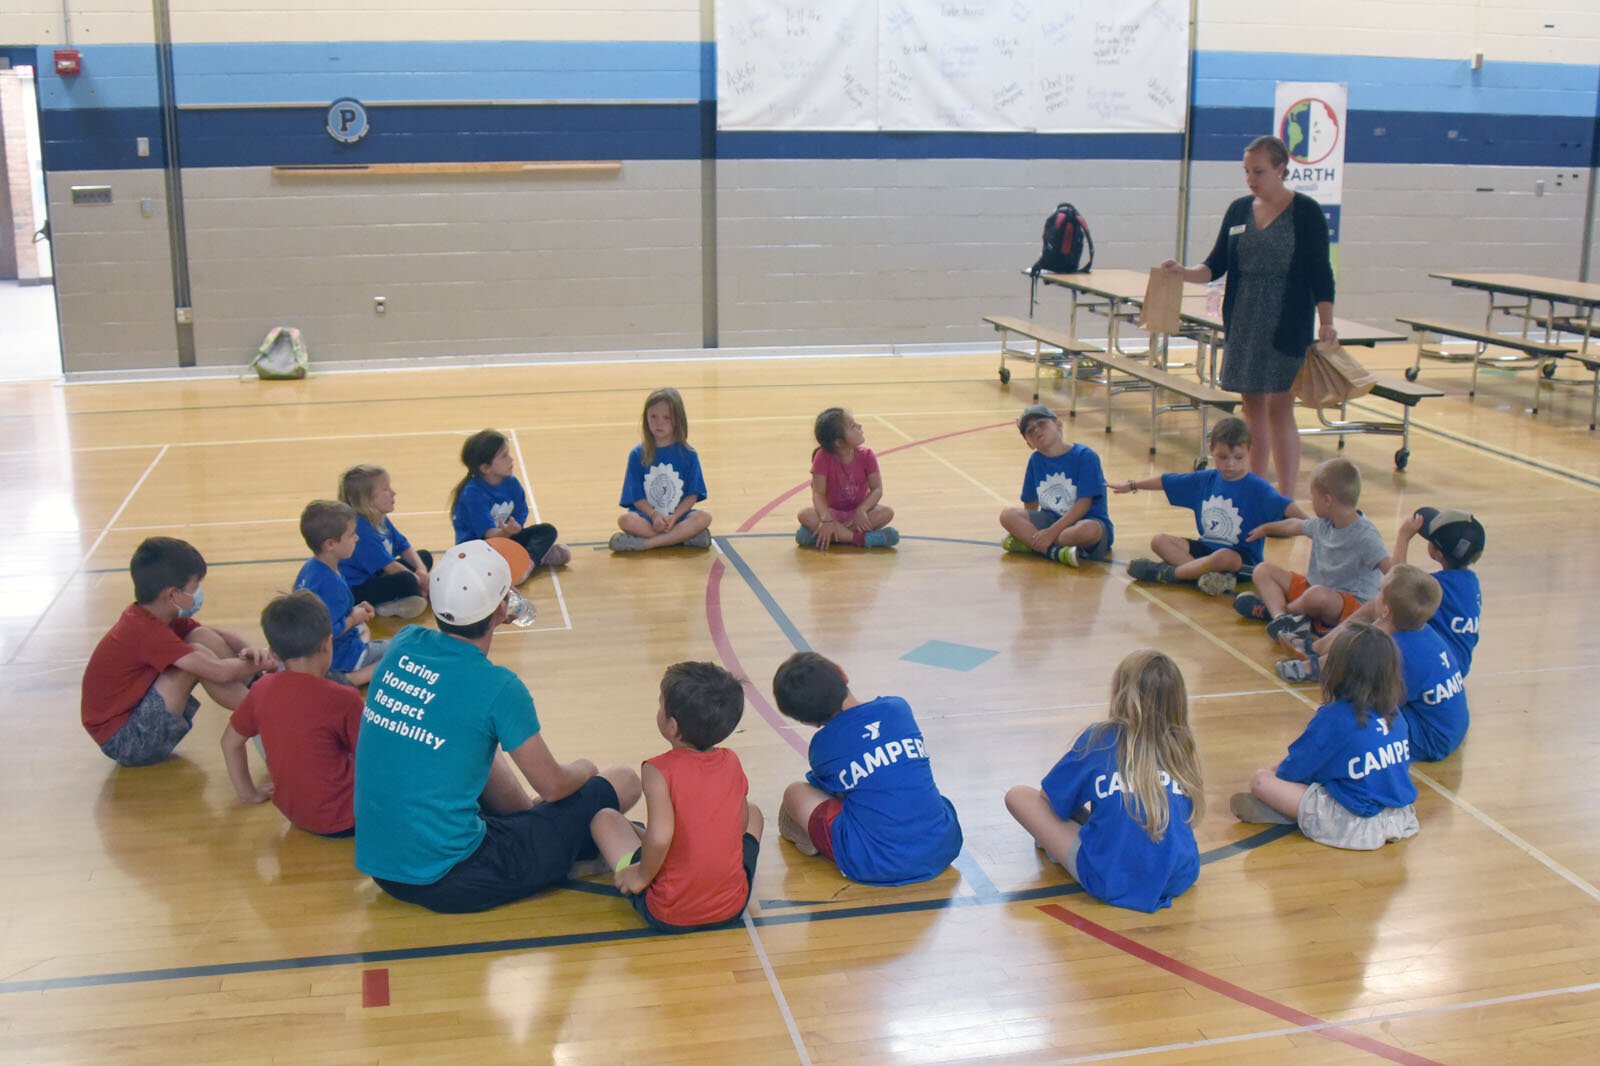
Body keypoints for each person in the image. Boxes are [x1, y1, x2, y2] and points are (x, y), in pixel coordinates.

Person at [354, 541, 641, 913]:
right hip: (454, 876)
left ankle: (543, 832)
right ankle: (563, 847)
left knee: (470, 742)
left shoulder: (405, 643)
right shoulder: (497, 687)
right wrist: (585, 768)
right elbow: (553, 786)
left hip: (385, 868)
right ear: (503, 609)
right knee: (623, 780)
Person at [1161, 134, 1337, 497]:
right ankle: (1255, 487)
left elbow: (1322, 272)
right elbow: (1215, 266)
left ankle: (1285, 496)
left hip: (1286, 320)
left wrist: (1327, 321)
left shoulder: (1305, 212)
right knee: (1252, 404)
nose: (1251, 178)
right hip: (1243, 317)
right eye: (1246, 171)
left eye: (1258, 171)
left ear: (1281, 169)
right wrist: (1182, 271)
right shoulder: (1239, 210)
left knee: (1280, 406)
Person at [1004, 650, 1204, 912]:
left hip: (1110, 878)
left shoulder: (1100, 738)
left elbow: (1049, 797)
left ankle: (1063, 845)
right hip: (1180, 875)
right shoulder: (1182, 744)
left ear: (1120, 692)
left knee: (1019, 795)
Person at [588, 662, 763, 933]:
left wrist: (641, 875)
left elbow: (661, 837)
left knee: (605, 819)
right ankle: (646, 840)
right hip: (731, 907)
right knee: (755, 813)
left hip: (669, 912)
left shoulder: (658, 770)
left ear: (672, 725)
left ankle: (630, 861)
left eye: (661, 704)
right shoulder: (731, 761)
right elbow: (739, 824)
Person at [770, 651, 963, 886]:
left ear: (806, 722)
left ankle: (812, 837)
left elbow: (829, 792)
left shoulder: (822, 745)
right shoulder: (898, 708)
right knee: (909, 788)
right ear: (843, 674)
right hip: (943, 844)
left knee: (795, 793)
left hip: (875, 863)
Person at [81, 536, 271, 766]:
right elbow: (218, 672)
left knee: (201, 637)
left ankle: (260, 691)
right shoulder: (144, 630)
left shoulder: (158, 615)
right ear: (172, 594)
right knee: (196, 657)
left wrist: (250, 650)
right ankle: (270, 716)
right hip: (126, 742)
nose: (198, 593)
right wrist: (265, 661)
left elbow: (214, 634)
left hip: (138, 718)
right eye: (195, 587)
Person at [1231, 623, 1421, 851]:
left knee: (1261, 781)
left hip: (1356, 824)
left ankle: (1288, 812)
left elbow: (1292, 771)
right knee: (1330, 771)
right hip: (1400, 816)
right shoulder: (1395, 712)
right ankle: (1293, 811)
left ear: (1339, 670)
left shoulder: (1335, 718)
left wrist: (1271, 775)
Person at [220, 591, 362, 837]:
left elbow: (230, 742)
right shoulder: (343, 698)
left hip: (293, 812)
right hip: (346, 819)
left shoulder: (261, 688)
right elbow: (374, 759)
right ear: (328, 644)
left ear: (273, 654)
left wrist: (249, 794)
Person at [1114, 416, 1305, 595]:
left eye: (1238, 457)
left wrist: (1316, 526)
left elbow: (1288, 507)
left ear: (1249, 452)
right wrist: (1131, 485)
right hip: (1205, 550)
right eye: (1223, 457)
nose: (1230, 464)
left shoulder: (1257, 487)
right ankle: (1204, 577)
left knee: (1224, 557)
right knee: (1159, 541)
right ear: (1211, 449)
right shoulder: (1205, 479)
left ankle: (1169, 574)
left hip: (1240, 561)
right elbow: (1165, 481)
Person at [1230, 457, 1390, 661]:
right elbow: (1293, 525)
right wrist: (1266, 528)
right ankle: (1282, 618)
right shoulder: (1323, 523)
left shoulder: (1366, 536)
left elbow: (1391, 569)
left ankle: (1282, 613)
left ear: (1327, 500)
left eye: (1313, 497)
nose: (1310, 502)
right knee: (1263, 570)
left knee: (1317, 596)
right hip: (1314, 590)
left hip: (1346, 605)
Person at [1303, 507, 1484, 679]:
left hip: (1434, 664)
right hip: (1455, 665)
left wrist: (1403, 537)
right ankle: (1319, 649)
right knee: (1377, 605)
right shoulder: (1471, 583)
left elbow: (1395, 582)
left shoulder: (1437, 585)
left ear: (1437, 553)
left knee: (1387, 618)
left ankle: (1323, 663)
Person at [999, 404, 1112, 567]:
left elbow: (1084, 504)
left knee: (1088, 530)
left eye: (1041, 424)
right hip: (1050, 520)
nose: (1037, 431)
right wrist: (1027, 526)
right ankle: (1055, 552)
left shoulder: (1085, 456)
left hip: (1084, 521)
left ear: (1058, 425)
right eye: (1030, 431)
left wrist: (1049, 533)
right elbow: (1030, 504)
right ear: (1029, 444)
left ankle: (1036, 545)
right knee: (1007, 515)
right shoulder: (1035, 461)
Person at [1377, 565, 1469, 761]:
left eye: (1379, 593)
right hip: (1452, 728)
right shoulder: (1424, 631)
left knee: (1362, 723)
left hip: (1431, 739)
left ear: (1385, 610)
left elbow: (1382, 703)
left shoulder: (1396, 652)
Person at [449, 429, 571, 573]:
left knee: (547, 530)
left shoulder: (512, 483)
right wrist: (506, 532)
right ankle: (529, 560)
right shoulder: (473, 493)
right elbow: (488, 534)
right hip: (477, 548)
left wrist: (514, 528)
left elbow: (520, 513)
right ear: (485, 468)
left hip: (505, 539)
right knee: (481, 560)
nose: (511, 460)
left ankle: (527, 563)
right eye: (504, 456)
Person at [293, 500, 385, 687]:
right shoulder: (331, 584)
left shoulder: (311, 569)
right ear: (330, 544)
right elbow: (326, 632)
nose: (357, 539)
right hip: (339, 656)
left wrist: (355, 610)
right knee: (399, 653)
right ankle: (349, 678)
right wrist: (354, 618)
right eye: (351, 535)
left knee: (364, 629)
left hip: (313, 652)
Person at [611, 387, 714, 551]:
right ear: (646, 418)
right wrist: (654, 515)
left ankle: (646, 544)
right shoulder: (638, 454)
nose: (659, 423)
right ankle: (683, 538)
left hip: (677, 518)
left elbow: (692, 495)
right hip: (648, 518)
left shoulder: (689, 455)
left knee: (704, 517)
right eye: (653, 416)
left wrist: (675, 517)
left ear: (678, 420)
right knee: (625, 520)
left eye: (666, 418)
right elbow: (637, 498)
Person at [338, 464, 433, 619]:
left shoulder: (380, 519)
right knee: (406, 579)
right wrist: (419, 581)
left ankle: (401, 596)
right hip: (357, 589)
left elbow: (404, 546)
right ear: (366, 499)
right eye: (385, 489)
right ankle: (387, 604)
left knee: (424, 556)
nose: (393, 493)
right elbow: (390, 566)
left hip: (376, 575)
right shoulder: (360, 529)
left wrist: (421, 570)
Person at [797, 406, 899, 549]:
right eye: (853, 426)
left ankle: (827, 536)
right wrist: (826, 520)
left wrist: (862, 510)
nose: (859, 426)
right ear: (839, 442)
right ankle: (861, 539)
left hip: (858, 514)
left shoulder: (867, 456)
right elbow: (818, 493)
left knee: (886, 513)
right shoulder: (822, 457)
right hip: (832, 513)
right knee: (805, 515)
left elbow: (877, 489)